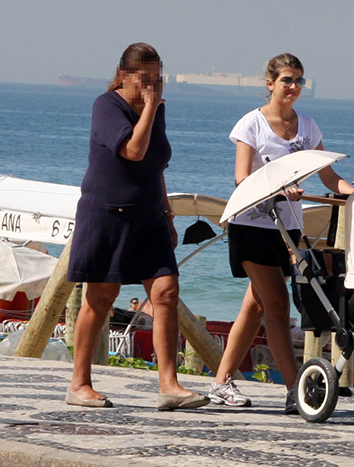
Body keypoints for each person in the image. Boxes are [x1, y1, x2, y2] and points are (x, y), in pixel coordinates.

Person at [208, 53, 354, 413]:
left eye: (299, 81)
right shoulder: (252, 125)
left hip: (287, 229)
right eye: (287, 80)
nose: (293, 87)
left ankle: (221, 383)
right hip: (251, 224)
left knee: (256, 305)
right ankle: (295, 389)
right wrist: (277, 188)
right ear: (270, 83)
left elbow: (328, 177)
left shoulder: (308, 127)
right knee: (276, 304)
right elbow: (242, 177)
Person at [66, 43, 209, 411]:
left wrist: (167, 212)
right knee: (100, 298)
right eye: (144, 80)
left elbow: (156, 164)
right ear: (125, 75)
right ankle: (79, 383)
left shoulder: (156, 109)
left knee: (165, 292)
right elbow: (134, 150)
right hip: (107, 214)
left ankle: (169, 384)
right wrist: (148, 108)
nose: (152, 87)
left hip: (149, 216)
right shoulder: (106, 105)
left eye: (157, 79)